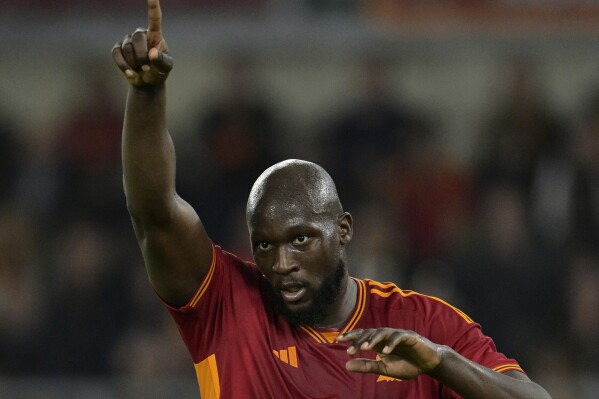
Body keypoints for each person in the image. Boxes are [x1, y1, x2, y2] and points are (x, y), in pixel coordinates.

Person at [111, 1, 552, 398]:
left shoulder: (421, 324)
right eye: (265, 244)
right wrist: (147, 96)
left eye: (300, 239)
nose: (281, 262)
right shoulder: (227, 307)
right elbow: (154, 213)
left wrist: (442, 363)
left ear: (343, 230)